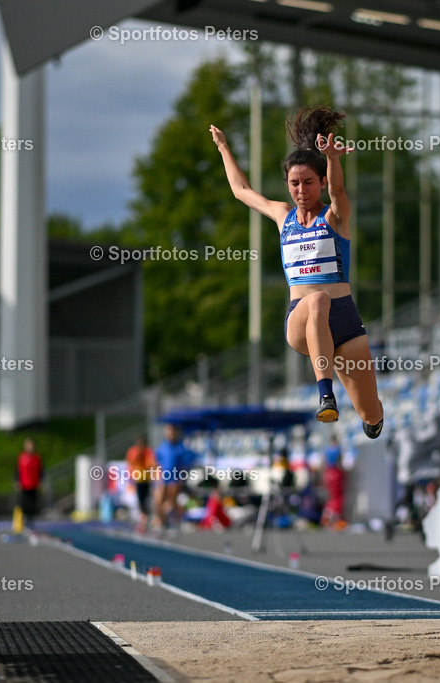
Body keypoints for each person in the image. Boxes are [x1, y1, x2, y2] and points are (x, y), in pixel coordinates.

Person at [211, 106, 383, 438]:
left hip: (345, 322)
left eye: (307, 183)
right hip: (301, 319)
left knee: (371, 416)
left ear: (319, 182)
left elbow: (338, 193)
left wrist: (332, 159)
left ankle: (371, 416)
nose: (301, 191)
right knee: (317, 300)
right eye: (294, 183)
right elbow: (241, 191)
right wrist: (223, 147)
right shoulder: (282, 216)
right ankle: (325, 395)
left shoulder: (334, 217)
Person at [153, 423, 199, 531]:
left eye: (172, 431)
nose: (170, 434)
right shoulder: (163, 447)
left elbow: (187, 463)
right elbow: (157, 463)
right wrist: (157, 475)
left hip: (175, 480)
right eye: (168, 431)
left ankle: (173, 520)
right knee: (158, 500)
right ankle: (162, 521)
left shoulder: (181, 448)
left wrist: (181, 478)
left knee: (171, 502)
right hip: (164, 478)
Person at [125, 434, 156, 531]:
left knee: (147, 500)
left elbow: (152, 464)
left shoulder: (148, 452)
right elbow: (130, 462)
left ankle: (146, 519)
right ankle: (143, 519)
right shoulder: (133, 451)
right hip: (138, 479)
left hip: (147, 479)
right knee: (140, 501)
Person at [16, 438, 43, 526]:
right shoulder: (22, 457)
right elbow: (18, 470)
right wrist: (17, 480)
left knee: (33, 501)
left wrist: (40, 481)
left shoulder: (37, 457)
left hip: (34, 483)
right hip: (24, 483)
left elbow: (41, 470)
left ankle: (31, 519)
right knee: (24, 501)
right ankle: (24, 518)